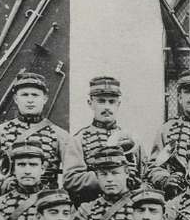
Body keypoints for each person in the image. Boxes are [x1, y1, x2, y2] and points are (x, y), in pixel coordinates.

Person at [62, 75, 145, 203]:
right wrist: (109, 178)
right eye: (101, 101)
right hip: (92, 208)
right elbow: (71, 180)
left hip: (128, 207)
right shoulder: (79, 140)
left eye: (112, 102)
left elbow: (144, 175)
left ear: (118, 104)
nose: (107, 107)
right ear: (90, 103)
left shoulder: (130, 138)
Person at [0, 70, 69, 191]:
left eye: (35, 95)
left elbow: (70, 174)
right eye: (24, 95)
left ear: (45, 99)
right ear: (16, 98)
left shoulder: (60, 134)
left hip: (47, 201)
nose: (30, 100)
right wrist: (3, 186)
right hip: (9, 200)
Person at [70, 144, 137, 220]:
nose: (109, 179)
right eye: (103, 174)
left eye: (115, 173)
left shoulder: (142, 204)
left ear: (127, 173)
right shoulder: (87, 209)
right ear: (97, 176)